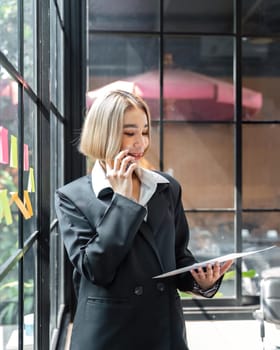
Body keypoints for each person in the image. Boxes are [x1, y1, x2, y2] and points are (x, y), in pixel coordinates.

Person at [55, 90, 233, 350]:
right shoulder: (73, 197)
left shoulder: (166, 187)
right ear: (103, 133)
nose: (141, 143)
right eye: (130, 133)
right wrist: (123, 202)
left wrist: (201, 281)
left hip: (163, 330)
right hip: (107, 333)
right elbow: (96, 269)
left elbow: (177, 258)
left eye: (145, 131)